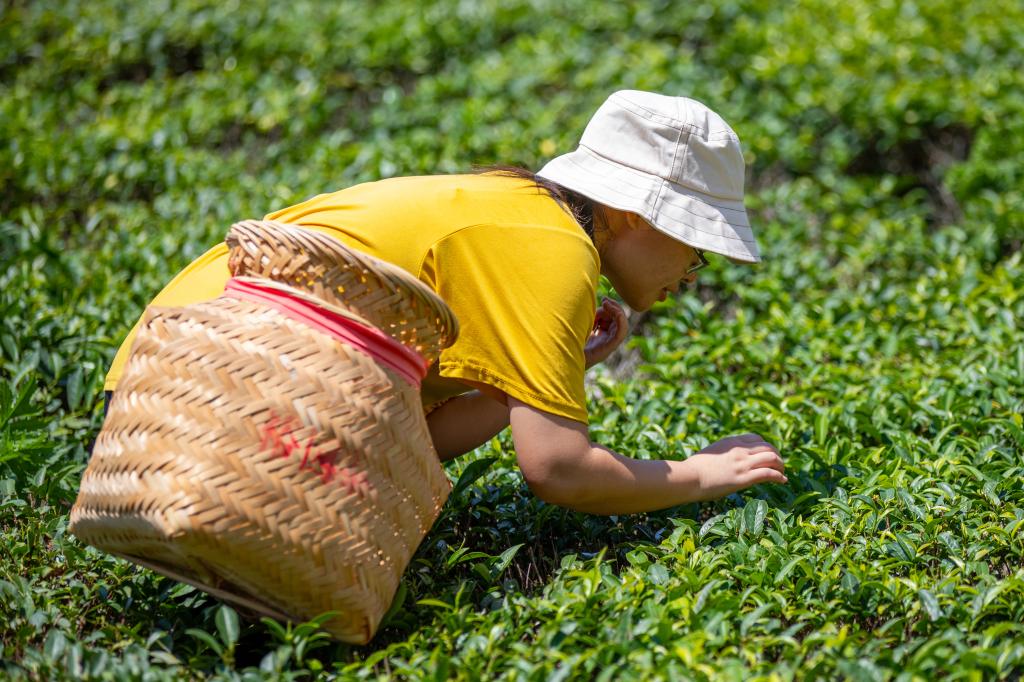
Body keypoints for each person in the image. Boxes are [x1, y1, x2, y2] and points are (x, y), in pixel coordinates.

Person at [102, 90, 787, 515]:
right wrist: (699, 473)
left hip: (156, 395)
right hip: (207, 393)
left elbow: (407, 446)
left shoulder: (523, 217)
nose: (694, 272)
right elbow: (561, 472)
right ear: (636, 213)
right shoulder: (554, 249)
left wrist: (525, 384)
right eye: (697, 246)